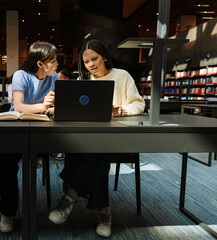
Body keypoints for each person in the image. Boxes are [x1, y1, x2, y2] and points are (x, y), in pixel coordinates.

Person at [48, 39, 145, 238]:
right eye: (86, 62)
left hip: (117, 137)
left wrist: (123, 110)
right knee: (96, 153)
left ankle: (69, 197)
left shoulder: (122, 76)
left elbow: (139, 104)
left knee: (96, 151)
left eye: (95, 59)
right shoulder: (83, 82)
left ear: (104, 57)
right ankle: (104, 213)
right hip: (90, 138)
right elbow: (73, 110)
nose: (91, 64)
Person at [0, 41, 58, 233]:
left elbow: (60, 106)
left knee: (6, 158)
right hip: (17, 124)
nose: (56, 64)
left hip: (42, 130)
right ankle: (6, 212)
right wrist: (44, 107)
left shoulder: (54, 78)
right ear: (40, 63)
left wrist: (49, 108)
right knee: (7, 159)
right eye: (53, 60)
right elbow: (19, 106)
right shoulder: (20, 75)